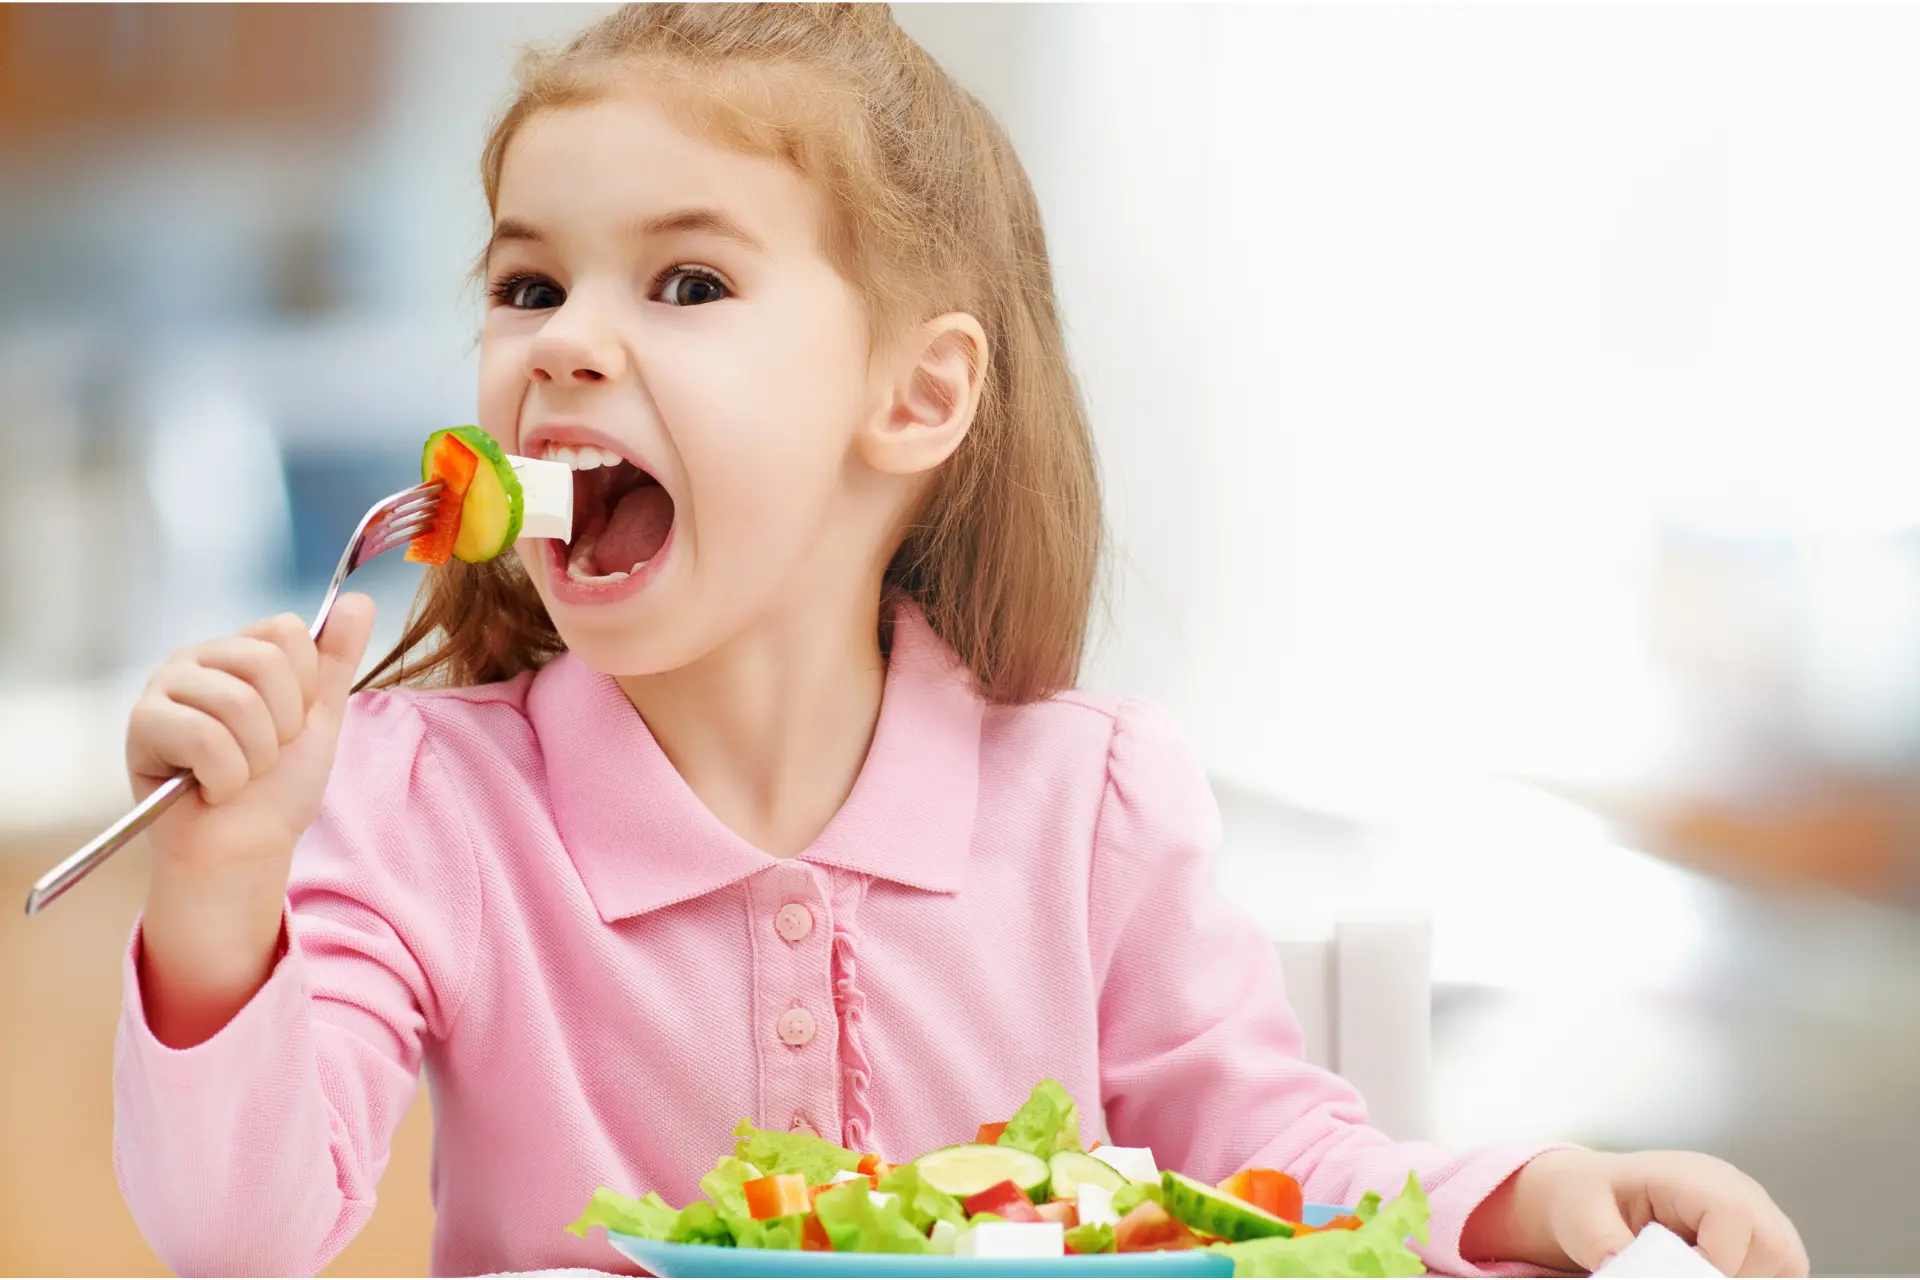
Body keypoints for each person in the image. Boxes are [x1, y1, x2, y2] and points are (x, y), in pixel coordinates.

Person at [112, 5, 1808, 1276]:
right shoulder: (426, 805)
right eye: (528, 287)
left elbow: (1273, 1156)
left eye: (687, 286)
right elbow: (238, 1240)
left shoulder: (1088, 801)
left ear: (915, 395)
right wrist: (218, 895)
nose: (563, 348)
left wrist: (1529, 1200)